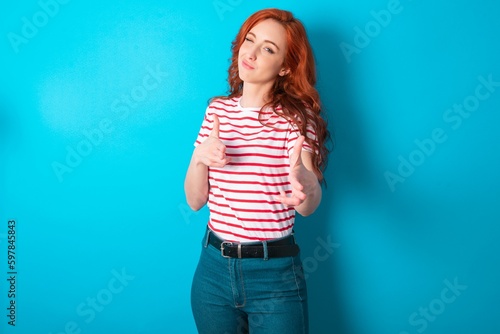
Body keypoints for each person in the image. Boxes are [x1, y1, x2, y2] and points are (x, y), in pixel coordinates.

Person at [184, 8, 330, 334]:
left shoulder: (297, 118)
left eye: (268, 48)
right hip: (213, 271)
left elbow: (308, 206)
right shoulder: (217, 110)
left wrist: (307, 184)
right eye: (249, 40)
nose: (250, 53)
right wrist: (199, 160)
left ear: (286, 66)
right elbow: (195, 200)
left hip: (274, 275)